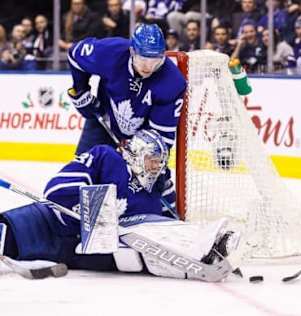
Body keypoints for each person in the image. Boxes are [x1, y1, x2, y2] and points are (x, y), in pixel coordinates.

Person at [0, 129, 239, 281]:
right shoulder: (106, 157)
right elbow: (56, 188)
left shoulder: (160, 188)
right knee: (6, 233)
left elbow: (169, 227)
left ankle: (211, 247)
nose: (156, 167)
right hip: (52, 224)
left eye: (160, 162)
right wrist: (86, 207)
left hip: (90, 248)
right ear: (135, 155)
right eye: (151, 161)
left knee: (135, 258)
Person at [67, 23, 187, 155]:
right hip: (103, 119)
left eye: (155, 62)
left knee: (151, 173)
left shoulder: (173, 82)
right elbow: (74, 54)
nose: (148, 68)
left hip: (142, 140)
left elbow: (162, 137)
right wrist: (81, 89)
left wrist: (146, 155)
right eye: (143, 60)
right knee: (84, 170)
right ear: (132, 52)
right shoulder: (111, 52)